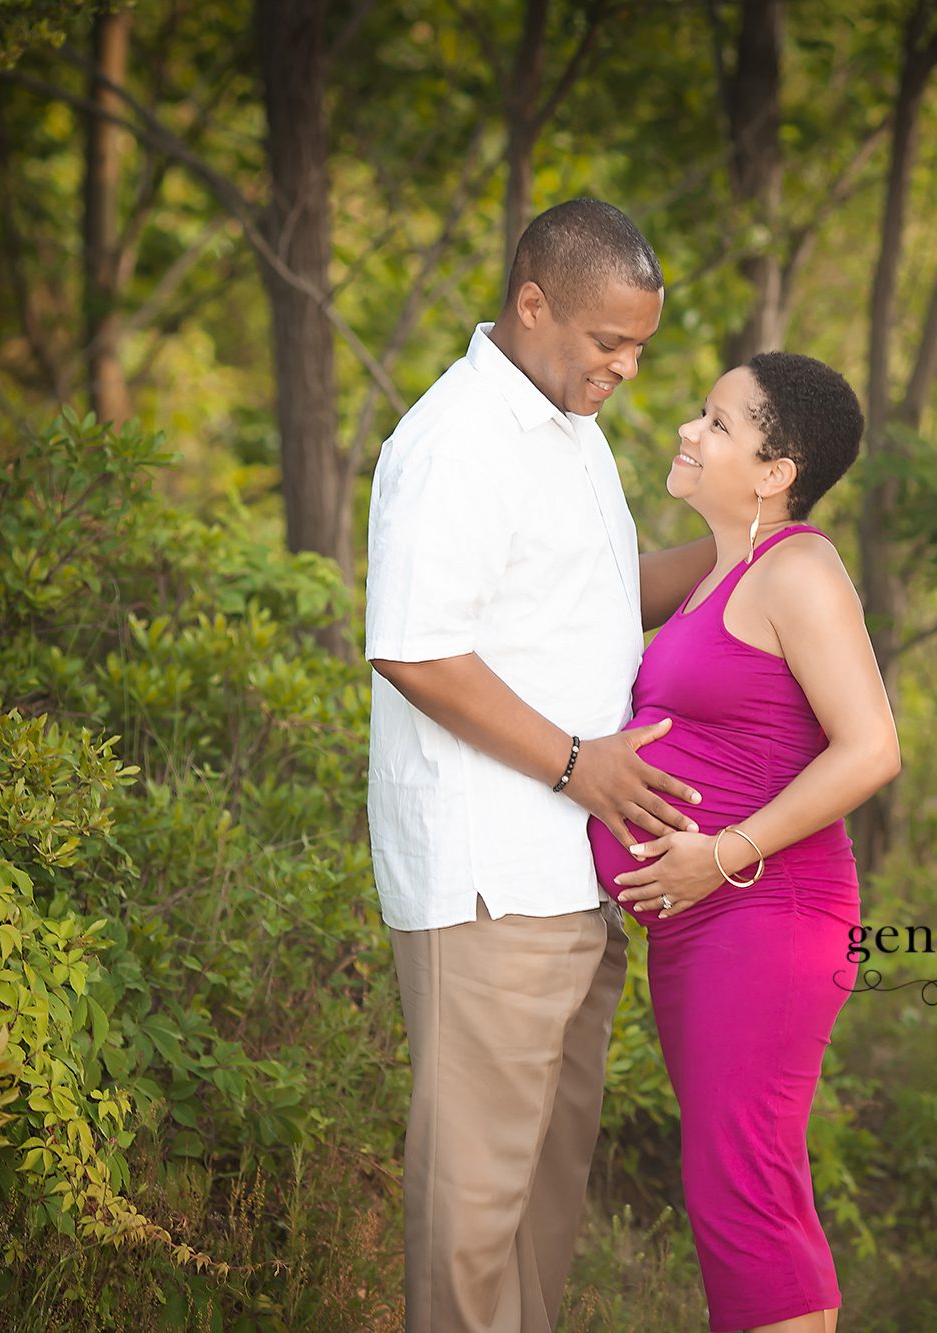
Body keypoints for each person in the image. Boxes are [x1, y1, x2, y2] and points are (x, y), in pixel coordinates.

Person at [364, 198, 718, 1333]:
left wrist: (746, 550)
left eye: (638, 347)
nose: (622, 366)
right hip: (491, 877)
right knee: (471, 1208)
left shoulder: (571, 428)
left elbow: (604, 606)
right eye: (606, 341)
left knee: (543, 1199)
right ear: (532, 304)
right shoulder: (455, 440)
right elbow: (415, 649)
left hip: (574, 877)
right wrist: (578, 766)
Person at [588, 352, 902, 1333]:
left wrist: (719, 853)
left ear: (775, 470)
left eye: (718, 424)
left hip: (765, 913)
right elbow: (576, 597)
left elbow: (871, 748)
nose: (688, 430)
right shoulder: (718, 570)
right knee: (739, 1184)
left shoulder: (797, 567)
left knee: (742, 1190)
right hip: (704, 925)